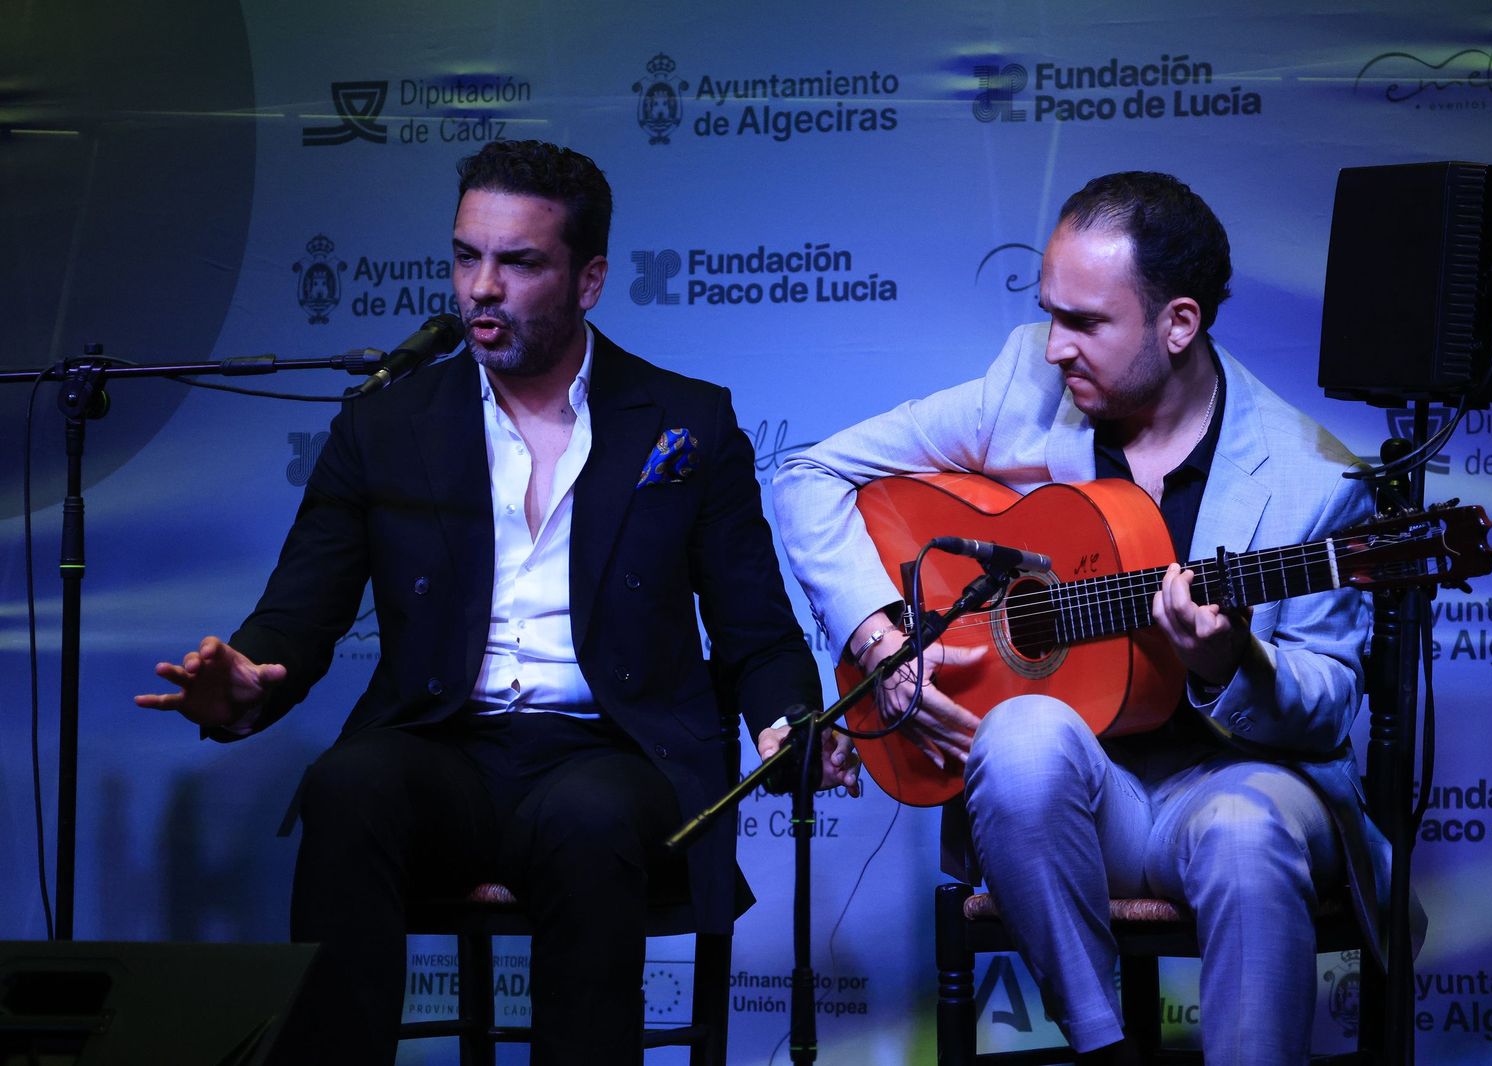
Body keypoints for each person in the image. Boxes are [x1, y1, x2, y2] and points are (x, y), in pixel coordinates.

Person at [136, 139, 851, 1065]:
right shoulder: (384, 425)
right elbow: (295, 620)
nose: (480, 287)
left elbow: (756, 627)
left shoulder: (687, 422)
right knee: (348, 786)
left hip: (614, 752)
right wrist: (245, 686)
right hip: (446, 751)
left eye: (517, 262)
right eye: (466, 255)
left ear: (588, 279)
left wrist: (789, 720)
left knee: (587, 818)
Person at [773, 172, 1413, 1064]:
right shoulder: (1024, 388)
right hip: (1078, 803)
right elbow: (809, 474)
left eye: (1086, 324)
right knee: (1023, 733)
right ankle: (1101, 1046)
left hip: (1236, 783)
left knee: (1245, 832)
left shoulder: (1317, 482)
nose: (1053, 350)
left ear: (1178, 324)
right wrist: (882, 641)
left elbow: (1325, 708)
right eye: (1050, 315)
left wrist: (1230, 666)